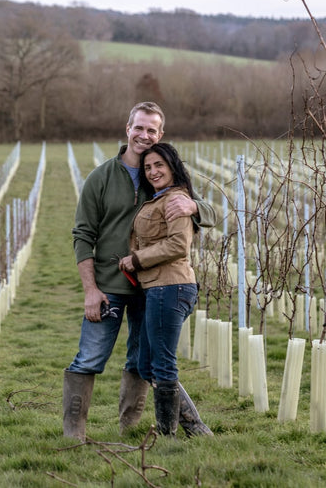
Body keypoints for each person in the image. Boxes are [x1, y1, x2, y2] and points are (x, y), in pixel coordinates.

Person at [64, 101, 215, 441]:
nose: (143, 135)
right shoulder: (100, 178)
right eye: (138, 127)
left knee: (141, 362)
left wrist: (195, 206)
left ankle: (130, 431)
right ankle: (73, 435)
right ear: (127, 129)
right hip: (109, 286)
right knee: (89, 357)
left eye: (151, 130)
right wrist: (90, 289)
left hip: (152, 288)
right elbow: (82, 235)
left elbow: (209, 212)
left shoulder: (161, 174)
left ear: (160, 135)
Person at [118, 142, 201, 437]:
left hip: (171, 285)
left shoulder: (176, 199)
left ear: (172, 167)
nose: (153, 172)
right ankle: (195, 427)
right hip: (157, 287)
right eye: (148, 167)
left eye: (159, 166)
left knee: (162, 363)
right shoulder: (157, 198)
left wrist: (136, 259)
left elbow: (178, 244)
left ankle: (169, 436)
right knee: (146, 364)